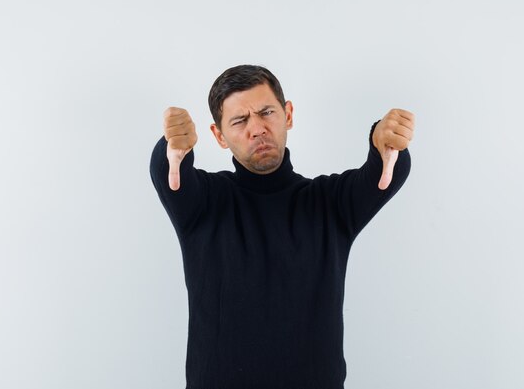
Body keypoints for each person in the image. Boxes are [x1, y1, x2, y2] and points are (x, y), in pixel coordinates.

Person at [149, 64, 414, 389]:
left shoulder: (329, 204)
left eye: (266, 112)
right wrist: (172, 150)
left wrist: (384, 143)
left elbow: (381, 174)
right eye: (239, 120)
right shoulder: (204, 203)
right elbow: (172, 175)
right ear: (218, 135)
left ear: (288, 114)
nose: (257, 128)